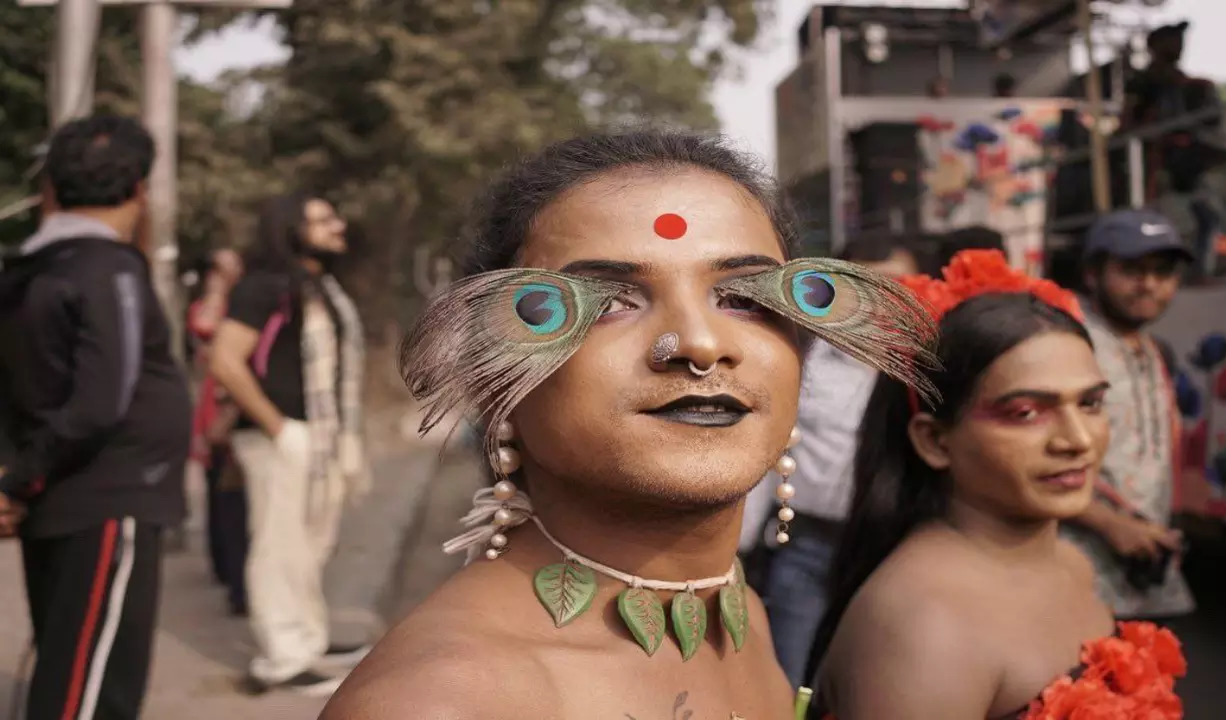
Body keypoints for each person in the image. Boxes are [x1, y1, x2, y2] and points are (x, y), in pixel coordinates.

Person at [318, 131, 938, 719]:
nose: (698, 343)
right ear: (493, 377)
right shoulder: (441, 702)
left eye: (744, 298)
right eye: (611, 302)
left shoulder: (735, 610)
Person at [807, 249, 1187, 719]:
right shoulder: (925, 627)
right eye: (1025, 413)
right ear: (935, 441)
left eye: (1090, 404)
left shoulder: (1072, 563)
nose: (1078, 440)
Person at [0, 115, 191, 720]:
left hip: (55, 497)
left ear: (50, 189)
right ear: (139, 189)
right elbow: (101, 402)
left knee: (65, 668)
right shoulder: (111, 270)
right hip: (109, 501)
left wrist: (16, 477)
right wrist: (16, 481)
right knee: (91, 689)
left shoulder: (26, 271)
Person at [208, 193, 372, 695]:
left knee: (310, 545)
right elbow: (224, 360)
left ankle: (309, 640)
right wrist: (280, 429)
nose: (337, 225)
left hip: (321, 439)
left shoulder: (318, 285)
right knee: (280, 547)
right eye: (323, 220)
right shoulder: (264, 286)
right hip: (282, 438)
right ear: (291, 228)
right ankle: (282, 657)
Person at [738, 236, 919, 686]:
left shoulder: (924, 370)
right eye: (861, 283)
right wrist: (738, 544)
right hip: (809, 547)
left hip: (894, 547)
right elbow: (770, 448)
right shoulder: (805, 359)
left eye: (894, 283)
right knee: (790, 674)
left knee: (879, 678)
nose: (879, 298)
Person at [1063, 209, 1195, 621]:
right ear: (1092, 273)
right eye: (1132, 270)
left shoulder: (1155, 350)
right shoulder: (1066, 343)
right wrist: (1110, 525)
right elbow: (1021, 462)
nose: (1149, 284)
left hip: (1147, 579)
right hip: (1077, 577)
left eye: (1163, 271)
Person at [1122, 22, 1226, 275]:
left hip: (1187, 162)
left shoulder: (1190, 84)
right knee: (1153, 218)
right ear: (1155, 45)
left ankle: (1200, 271)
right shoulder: (1143, 82)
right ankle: (1155, 270)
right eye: (1172, 39)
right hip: (1155, 163)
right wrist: (1158, 137)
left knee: (1209, 215)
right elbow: (1128, 123)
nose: (1179, 45)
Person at [187, 248, 249, 616]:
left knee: (236, 497)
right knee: (219, 491)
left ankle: (237, 577)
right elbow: (204, 326)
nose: (230, 271)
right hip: (214, 410)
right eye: (221, 266)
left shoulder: (246, 304)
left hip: (236, 408)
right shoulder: (208, 307)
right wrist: (215, 290)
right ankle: (226, 573)